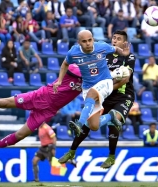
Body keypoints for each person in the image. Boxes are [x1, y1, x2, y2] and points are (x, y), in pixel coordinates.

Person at [0, 64, 82, 160]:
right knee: (4, 103)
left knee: (19, 136)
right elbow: (67, 63)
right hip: (41, 96)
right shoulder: (75, 68)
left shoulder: (91, 82)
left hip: (48, 111)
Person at [57, 30, 134, 169]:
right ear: (79, 42)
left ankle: (81, 126)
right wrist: (60, 81)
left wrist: (123, 54)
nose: (88, 44)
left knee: (94, 101)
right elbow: (66, 64)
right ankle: (109, 118)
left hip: (113, 89)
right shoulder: (78, 52)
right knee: (93, 125)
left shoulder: (110, 50)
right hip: (94, 89)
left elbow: (125, 75)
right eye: (84, 41)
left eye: (90, 40)